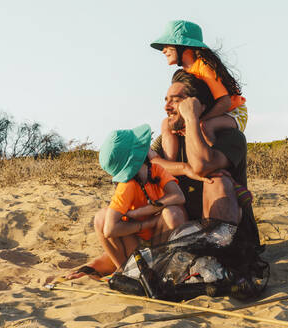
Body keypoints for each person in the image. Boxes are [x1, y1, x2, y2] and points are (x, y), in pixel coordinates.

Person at [149, 69, 260, 249]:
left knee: (217, 182)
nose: (167, 107)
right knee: (171, 212)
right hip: (189, 230)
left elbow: (202, 165)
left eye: (176, 101)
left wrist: (192, 119)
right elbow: (152, 163)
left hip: (233, 239)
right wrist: (185, 168)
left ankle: (220, 257)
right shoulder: (170, 137)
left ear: (200, 105)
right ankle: (181, 261)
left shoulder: (231, 137)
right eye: (166, 100)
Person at [66, 124, 187, 279]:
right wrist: (146, 224)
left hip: (159, 238)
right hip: (135, 240)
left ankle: (156, 267)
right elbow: (109, 229)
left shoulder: (156, 170)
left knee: (173, 214)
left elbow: (178, 196)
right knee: (102, 218)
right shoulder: (127, 186)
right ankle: (125, 270)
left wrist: (142, 211)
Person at [151, 20, 249, 161]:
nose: (163, 50)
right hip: (211, 111)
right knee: (166, 125)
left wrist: (198, 120)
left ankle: (213, 162)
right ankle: (170, 169)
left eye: (168, 45)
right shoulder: (186, 71)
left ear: (183, 46)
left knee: (205, 127)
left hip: (234, 112)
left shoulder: (203, 66)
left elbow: (225, 102)